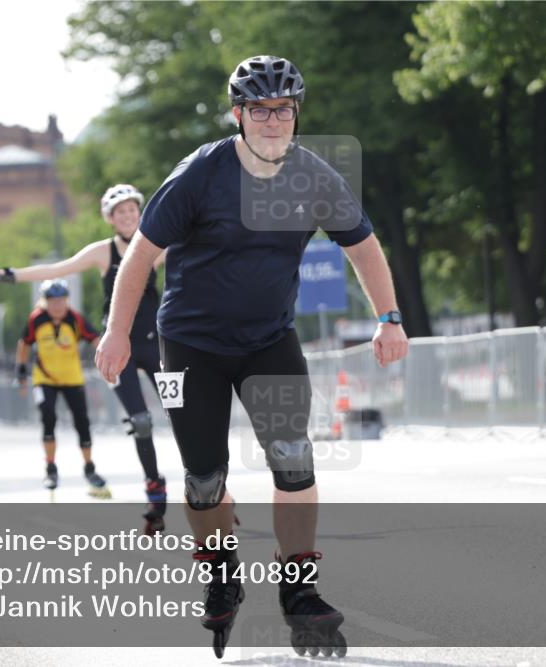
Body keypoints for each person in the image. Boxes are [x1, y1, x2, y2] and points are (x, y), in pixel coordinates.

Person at [95, 54, 409, 657]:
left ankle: (300, 593)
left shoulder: (314, 176)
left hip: (269, 339)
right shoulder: (199, 175)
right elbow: (139, 257)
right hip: (187, 347)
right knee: (204, 478)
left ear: (296, 114)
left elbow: (363, 245)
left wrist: (388, 318)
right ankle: (221, 575)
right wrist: (115, 332)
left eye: (283, 110)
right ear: (239, 115)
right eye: (260, 110)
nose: (273, 121)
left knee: (294, 459)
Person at [0, 184, 169, 530]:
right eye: (120, 213)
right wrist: (3, 275)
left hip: (154, 345)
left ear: (140, 213)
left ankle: (211, 490)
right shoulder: (103, 252)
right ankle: (155, 492)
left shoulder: (154, 246)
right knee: (141, 421)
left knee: (186, 415)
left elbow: (196, 247)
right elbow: (54, 271)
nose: (127, 217)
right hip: (118, 348)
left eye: (132, 211)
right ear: (110, 219)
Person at [14, 279, 111, 498]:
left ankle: (89, 468)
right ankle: (51, 469)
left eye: (61, 300)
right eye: (52, 301)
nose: (57, 305)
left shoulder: (75, 319)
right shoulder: (36, 320)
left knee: (82, 422)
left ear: (67, 300)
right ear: (45, 302)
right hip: (44, 379)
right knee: (48, 417)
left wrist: (109, 354)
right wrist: (20, 373)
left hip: (72, 379)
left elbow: (95, 338)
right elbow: (24, 344)